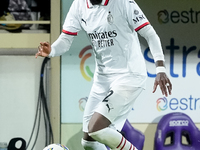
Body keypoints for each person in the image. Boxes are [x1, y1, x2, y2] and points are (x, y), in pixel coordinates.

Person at [36, 0, 172, 150]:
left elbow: (150, 34)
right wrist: (52, 50)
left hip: (129, 75)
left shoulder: (123, 3)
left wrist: (160, 69)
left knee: (96, 128)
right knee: (88, 141)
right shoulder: (79, 5)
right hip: (102, 79)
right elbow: (66, 39)